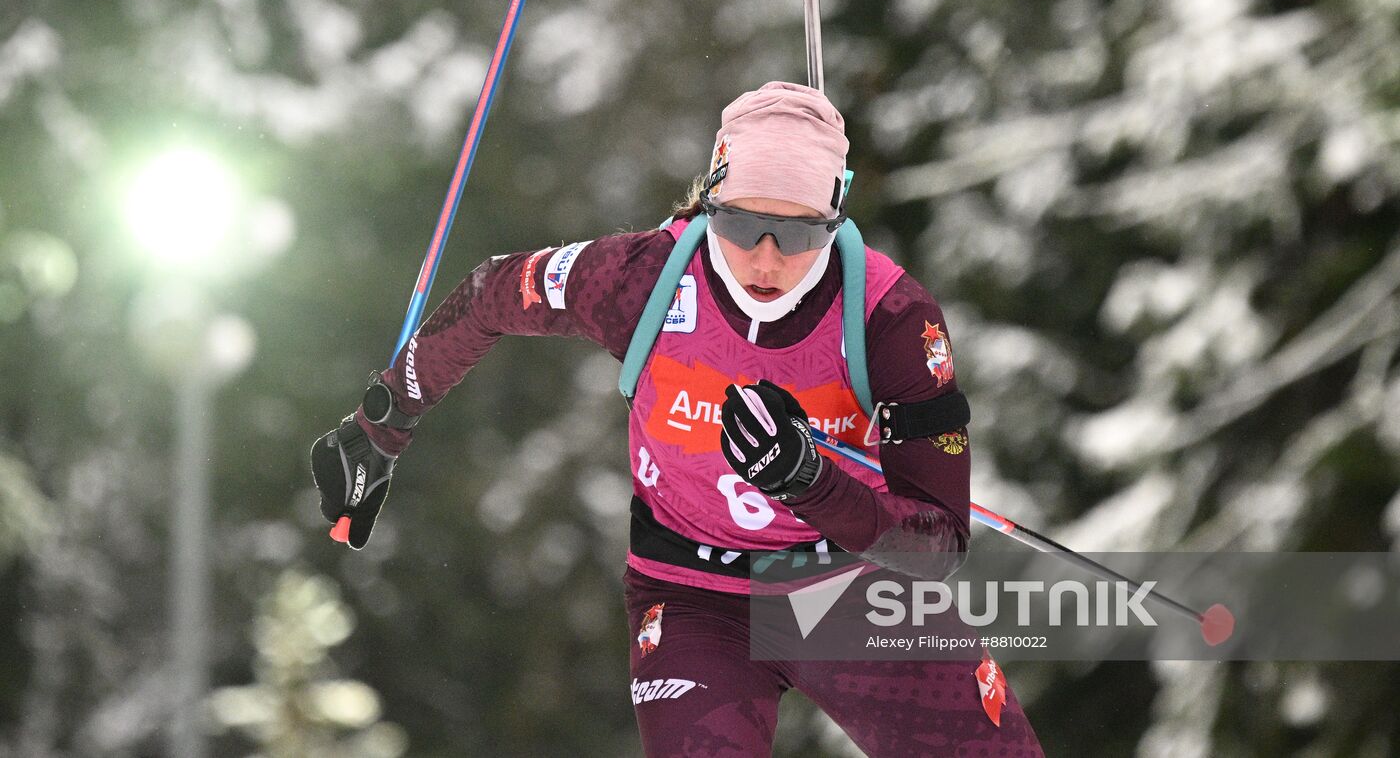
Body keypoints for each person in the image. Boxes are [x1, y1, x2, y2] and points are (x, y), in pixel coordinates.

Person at [312, 81, 1044, 755]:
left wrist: (810, 482)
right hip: (694, 593)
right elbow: (487, 295)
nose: (765, 259)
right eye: (741, 224)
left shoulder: (891, 316)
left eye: (796, 234)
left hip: (850, 586)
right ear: (709, 203)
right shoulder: (639, 280)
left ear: (834, 217)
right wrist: (381, 424)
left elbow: (938, 545)